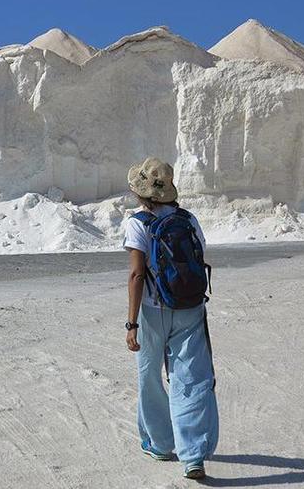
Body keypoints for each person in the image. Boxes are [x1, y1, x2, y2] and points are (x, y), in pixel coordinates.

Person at [122, 157, 219, 480]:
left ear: (141, 192)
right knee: (189, 380)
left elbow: (137, 275)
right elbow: (198, 258)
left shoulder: (138, 223)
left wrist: (132, 323)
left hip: (152, 311)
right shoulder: (188, 220)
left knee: (150, 377)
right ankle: (193, 456)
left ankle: (160, 444)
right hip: (190, 308)